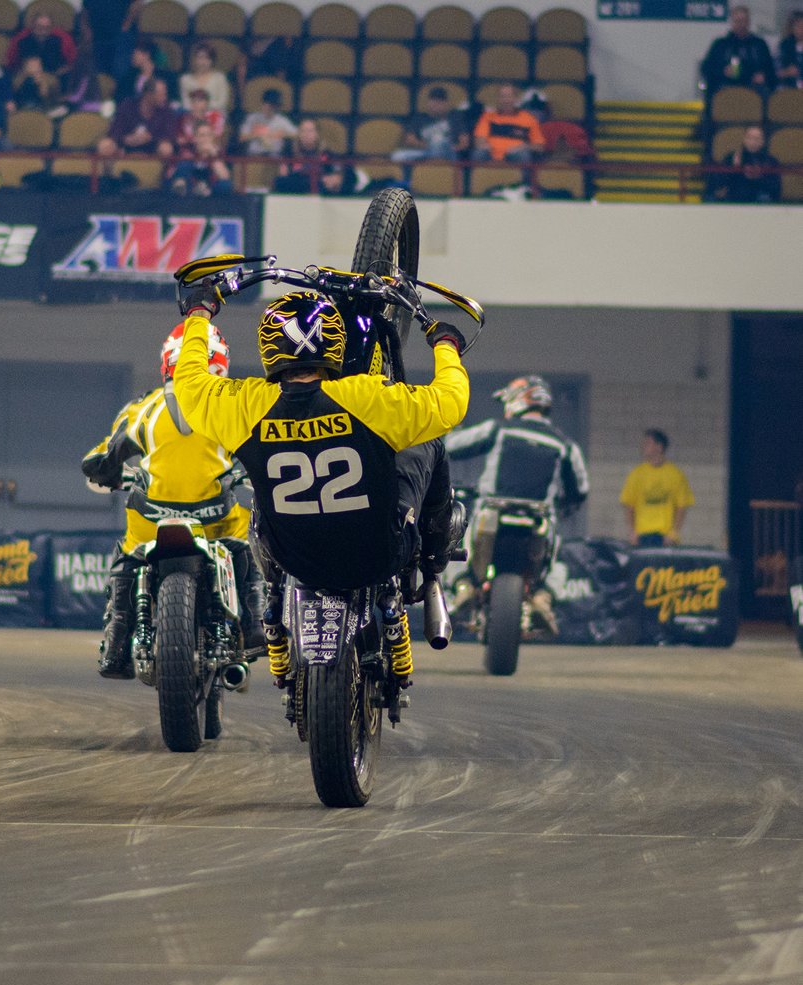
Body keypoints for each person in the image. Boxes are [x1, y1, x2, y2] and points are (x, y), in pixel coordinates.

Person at [170, 273, 468, 684]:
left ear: (269, 350)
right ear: (335, 343)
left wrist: (200, 314)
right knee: (431, 442)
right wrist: (446, 345)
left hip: (294, 559)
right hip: (379, 556)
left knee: (256, 501)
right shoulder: (368, 397)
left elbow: (190, 384)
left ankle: (274, 597)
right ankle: (434, 566)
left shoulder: (244, 406)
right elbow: (450, 402)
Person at [81, 325, 264, 679]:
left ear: (167, 360)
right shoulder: (233, 402)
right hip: (216, 518)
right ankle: (256, 623)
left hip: (154, 518)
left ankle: (117, 643)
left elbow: (103, 457)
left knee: (128, 556)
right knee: (248, 545)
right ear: (220, 361)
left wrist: (107, 474)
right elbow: (265, 449)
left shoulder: (141, 409)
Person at [444, 375, 589, 626]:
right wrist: (563, 505)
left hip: (492, 510)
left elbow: (451, 446)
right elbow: (581, 488)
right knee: (559, 559)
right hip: (540, 518)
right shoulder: (564, 444)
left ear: (518, 401)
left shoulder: (498, 429)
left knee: (452, 541)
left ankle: (462, 586)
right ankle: (543, 598)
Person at [620, 429, 695, 547]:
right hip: (642, 536)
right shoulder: (637, 474)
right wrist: (632, 532)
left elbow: (682, 506)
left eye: (648, 444)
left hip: (665, 537)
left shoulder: (675, 474)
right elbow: (629, 505)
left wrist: (674, 533)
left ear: (659, 447)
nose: (643, 447)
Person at [701, 5, 777, 97]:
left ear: (748, 22)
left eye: (744, 21)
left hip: (754, 90)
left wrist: (764, 76)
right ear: (732, 22)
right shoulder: (720, 44)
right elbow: (706, 68)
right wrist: (722, 71)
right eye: (738, 21)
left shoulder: (759, 45)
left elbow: (771, 70)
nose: (741, 25)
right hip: (725, 87)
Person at [97, 77, 181, 159]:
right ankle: (109, 173)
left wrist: (150, 138)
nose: (164, 98)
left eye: (164, 94)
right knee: (104, 145)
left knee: (166, 149)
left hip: (152, 148)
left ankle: (160, 172)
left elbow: (169, 136)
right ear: (148, 95)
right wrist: (127, 139)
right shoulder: (128, 106)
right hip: (126, 147)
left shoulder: (166, 110)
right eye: (160, 95)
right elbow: (115, 131)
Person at [275, 117, 360, 195]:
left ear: (317, 134)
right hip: (298, 192)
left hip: (323, 193)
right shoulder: (289, 152)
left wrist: (336, 178)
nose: (306, 134)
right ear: (299, 134)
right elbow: (284, 178)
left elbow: (337, 172)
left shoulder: (326, 153)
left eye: (310, 131)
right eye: (303, 130)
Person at [392, 85, 470, 164]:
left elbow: (464, 142)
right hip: (425, 151)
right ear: (428, 103)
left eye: (440, 102)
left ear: (446, 104)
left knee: (440, 143)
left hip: (449, 153)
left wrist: (451, 148)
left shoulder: (455, 118)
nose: (436, 104)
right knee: (398, 155)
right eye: (434, 101)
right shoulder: (419, 118)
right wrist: (428, 146)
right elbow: (409, 139)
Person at [706, 124, 781, 202]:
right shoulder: (731, 157)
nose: (753, 142)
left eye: (757, 139)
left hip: (759, 198)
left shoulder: (770, 161)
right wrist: (735, 168)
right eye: (749, 138)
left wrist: (758, 177)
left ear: (763, 141)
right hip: (735, 196)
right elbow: (721, 183)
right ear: (744, 139)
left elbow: (775, 190)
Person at [474, 83, 544, 163]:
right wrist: (485, 146)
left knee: (523, 155)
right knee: (478, 153)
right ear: (498, 99)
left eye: (509, 96)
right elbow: (479, 140)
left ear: (516, 99)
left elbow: (539, 146)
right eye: (502, 96)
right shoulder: (488, 116)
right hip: (491, 155)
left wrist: (524, 147)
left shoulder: (529, 119)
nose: (506, 100)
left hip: (516, 155)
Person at [167, 120, 232, 196]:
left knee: (225, 185)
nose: (206, 139)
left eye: (209, 135)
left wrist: (213, 154)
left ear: (213, 137)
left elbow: (224, 176)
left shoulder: (219, 152)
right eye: (202, 135)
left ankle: (203, 191)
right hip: (188, 187)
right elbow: (171, 174)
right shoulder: (187, 150)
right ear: (195, 138)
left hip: (209, 190)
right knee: (185, 162)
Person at [4, 12, 78, 78]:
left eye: (46, 28)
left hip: (54, 79)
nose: (43, 32)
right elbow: (13, 66)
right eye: (39, 28)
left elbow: (70, 65)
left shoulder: (59, 41)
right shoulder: (22, 42)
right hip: (28, 79)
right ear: (32, 27)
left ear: (51, 28)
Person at [238, 89, 296, 157]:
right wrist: (258, 135)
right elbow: (242, 137)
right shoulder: (252, 118)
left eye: (274, 105)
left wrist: (281, 134)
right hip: (254, 155)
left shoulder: (282, 120)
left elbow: (296, 134)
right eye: (269, 105)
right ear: (263, 104)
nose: (271, 108)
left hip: (275, 155)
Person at [179, 41, 231, 114]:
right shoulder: (185, 79)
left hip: (215, 115)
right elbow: (185, 103)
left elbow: (222, 103)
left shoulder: (220, 78)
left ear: (212, 61)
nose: (203, 62)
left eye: (207, 58)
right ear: (194, 59)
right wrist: (198, 110)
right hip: (193, 115)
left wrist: (202, 107)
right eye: (200, 58)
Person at [778, 12, 803, 88]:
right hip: (789, 87)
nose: (800, 29)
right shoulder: (785, 45)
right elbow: (777, 71)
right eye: (798, 26)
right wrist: (786, 72)